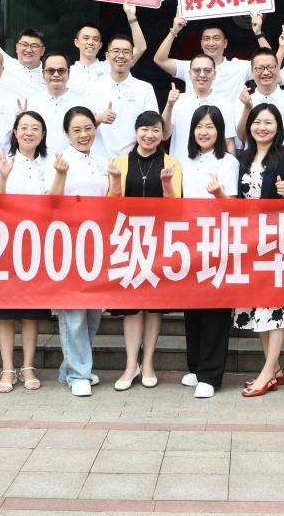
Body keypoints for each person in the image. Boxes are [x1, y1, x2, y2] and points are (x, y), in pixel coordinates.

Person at [107, 111, 181, 391]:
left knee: (153, 305)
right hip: (128, 241)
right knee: (131, 306)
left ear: (162, 134)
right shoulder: (120, 162)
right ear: (136, 132)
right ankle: (130, 365)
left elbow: (177, 205)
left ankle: (148, 362)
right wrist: (115, 182)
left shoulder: (172, 163)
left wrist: (166, 184)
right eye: (144, 129)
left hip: (159, 241)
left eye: (155, 130)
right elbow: (110, 205)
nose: (149, 135)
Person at [235, 103, 284, 398]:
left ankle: (266, 373)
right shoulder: (241, 158)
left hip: (277, 240)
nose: (262, 127)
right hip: (248, 240)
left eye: (269, 122)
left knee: (274, 305)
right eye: (257, 122)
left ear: (278, 127)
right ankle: (273, 368)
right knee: (257, 305)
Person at [0, 110, 55, 393]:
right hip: (5, 243)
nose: (29, 133)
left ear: (43, 134)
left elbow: (54, 200)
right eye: (23, 127)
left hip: (37, 243)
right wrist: (3, 177)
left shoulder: (51, 162)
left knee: (31, 310)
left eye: (35, 128)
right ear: (14, 132)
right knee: (4, 310)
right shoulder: (3, 160)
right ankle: (7, 367)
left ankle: (27, 366)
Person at [176, 105, 238, 398]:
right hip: (189, 240)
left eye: (210, 126)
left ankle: (211, 375)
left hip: (217, 240)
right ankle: (196, 365)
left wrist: (218, 194)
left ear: (219, 131)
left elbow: (234, 207)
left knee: (215, 307)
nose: (204, 132)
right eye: (199, 126)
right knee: (193, 306)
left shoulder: (228, 161)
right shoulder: (184, 161)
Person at [48, 105, 110, 397]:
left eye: (88, 128)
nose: (84, 135)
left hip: (97, 243)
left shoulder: (102, 161)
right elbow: (49, 202)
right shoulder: (57, 161)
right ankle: (78, 373)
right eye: (77, 130)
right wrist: (60, 174)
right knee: (73, 310)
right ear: (66, 133)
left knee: (94, 311)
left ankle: (70, 368)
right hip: (68, 242)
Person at [153, 13, 271, 105]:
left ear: (225, 43)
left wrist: (258, 33)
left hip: (230, 128)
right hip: (197, 127)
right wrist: (174, 31)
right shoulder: (191, 66)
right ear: (201, 44)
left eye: (216, 38)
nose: (211, 43)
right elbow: (160, 60)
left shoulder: (238, 67)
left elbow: (269, 62)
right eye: (206, 38)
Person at [87, 34, 160, 157]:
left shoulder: (145, 88)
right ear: (107, 56)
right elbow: (81, 125)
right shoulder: (93, 87)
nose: (121, 55)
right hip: (99, 161)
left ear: (132, 57)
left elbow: (153, 126)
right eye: (116, 51)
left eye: (126, 52)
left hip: (134, 162)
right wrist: (100, 118)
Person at [162, 55, 236, 157]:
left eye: (207, 70)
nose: (202, 74)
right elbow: (164, 135)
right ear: (189, 73)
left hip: (213, 166)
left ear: (214, 74)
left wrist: (230, 165)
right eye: (197, 70)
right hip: (179, 165)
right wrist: (169, 105)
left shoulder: (225, 104)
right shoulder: (178, 100)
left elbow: (229, 142)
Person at [235, 48, 284, 152]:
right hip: (255, 161)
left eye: (271, 67)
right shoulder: (243, 102)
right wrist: (247, 107)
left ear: (277, 69)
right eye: (260, 68)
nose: (266, 72)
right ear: (252, 71)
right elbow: (242, 137)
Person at [69, 4, 148, 90]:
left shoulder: (110, 66)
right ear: (76, 42)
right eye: (86, 38)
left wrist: (131, 15)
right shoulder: (68, 72)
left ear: (100, 45)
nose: (91, 42)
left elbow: (140, 48)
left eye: (95, 39)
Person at [30, 52, 89, 157]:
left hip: (72, 163)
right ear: (43, 74)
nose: (56, 74)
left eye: (61, 70)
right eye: (50, 71)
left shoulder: (81, 104)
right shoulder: (32, 103)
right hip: (40, 163)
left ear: (68, 73)